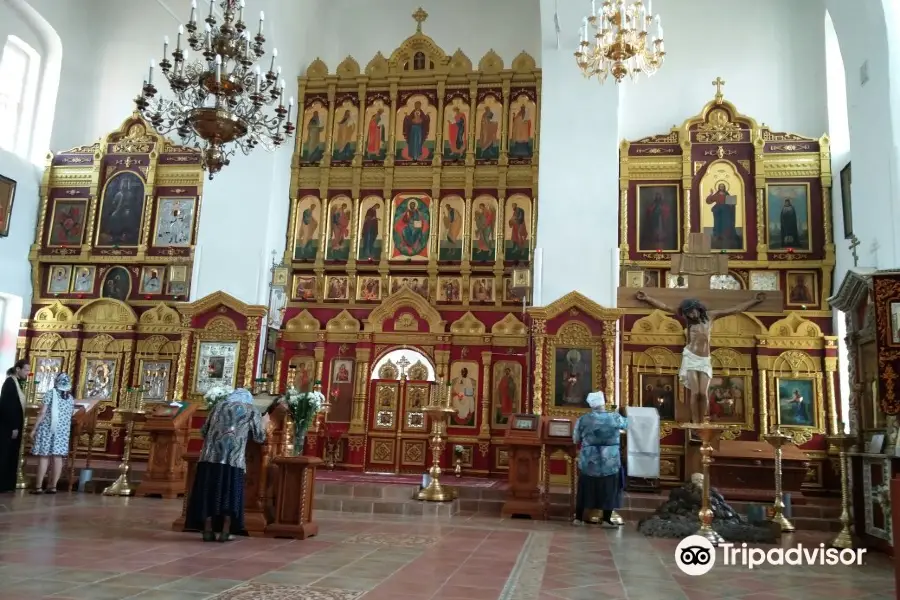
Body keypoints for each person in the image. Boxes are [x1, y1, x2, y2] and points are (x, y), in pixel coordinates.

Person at [635, 291, 765, 424]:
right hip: (690, 357)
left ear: (698, 308)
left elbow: (735, 310)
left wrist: (754, 301)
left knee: (703, 393)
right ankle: (695, 421)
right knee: (695, 393)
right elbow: (665, 307)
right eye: (689, 313)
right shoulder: (688, 321)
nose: (692, 315)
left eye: (693, 311)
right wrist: (647, 298)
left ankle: (703, 420)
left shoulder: (711, 316)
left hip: (704, 360)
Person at [185, 388, 268, 542]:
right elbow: (259, 437)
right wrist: (264, 423)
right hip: (233, 460)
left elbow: (203, 431)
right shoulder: (251, 410)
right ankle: (225, 531)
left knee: (208, 494)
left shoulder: (218, 406)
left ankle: (208, 530)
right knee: (229, 495)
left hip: (209, 459)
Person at [573, 392, 626, 527]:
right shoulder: (615, 417)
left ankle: (578, 518)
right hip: (610, 460)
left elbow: (576, 439)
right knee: (609, 489)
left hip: (589, 460)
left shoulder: (583, 419)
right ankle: (607, 520)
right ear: (603, 403)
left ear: (591, 405)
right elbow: (628, 426)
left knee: (585, 488)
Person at [29, 372, 75, 494]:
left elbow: (42, 413)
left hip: (48, 429)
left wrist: (34, 428)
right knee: (57, 457)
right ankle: (53, 486)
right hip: (63, 431)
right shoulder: (70, 398)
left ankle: (38, 487)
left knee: (44, 457)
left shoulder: (50, 393)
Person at [0, 360, 29, 493]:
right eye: (26, 370)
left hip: (13, 426)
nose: (27, 373)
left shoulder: (15, 383)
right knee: (5, 455)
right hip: (9, 427)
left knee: (11, 455)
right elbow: (7, 406)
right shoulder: (10, 383)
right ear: (18, 369)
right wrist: (13, 427)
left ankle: (7, 484)